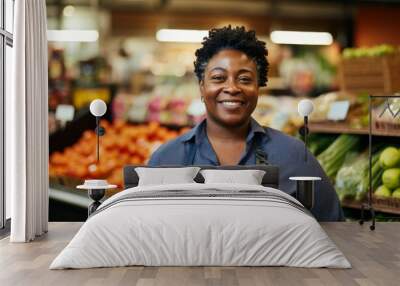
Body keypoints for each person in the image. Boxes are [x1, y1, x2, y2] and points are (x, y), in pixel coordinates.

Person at [148, 26, 344, 221]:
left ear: (258, 87)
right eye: (218, 78)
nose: (232, 87)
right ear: (202, 87)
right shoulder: (166, 159)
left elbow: (333, 227)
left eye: (244, 79)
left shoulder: (293, 156)